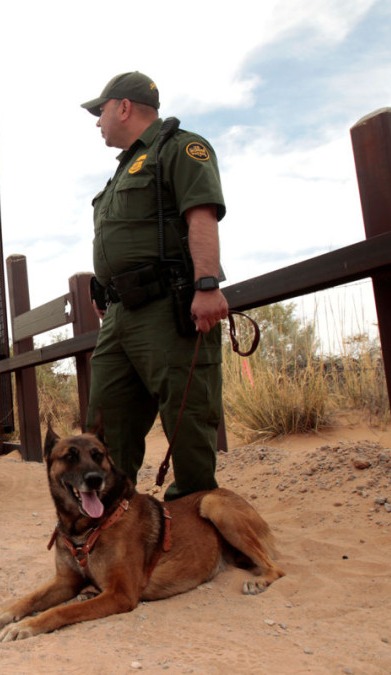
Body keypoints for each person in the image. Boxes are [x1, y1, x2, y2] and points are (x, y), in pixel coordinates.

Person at [81, 71, 229, 501]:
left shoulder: (180, 148)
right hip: (121, 317)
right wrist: (106, 289)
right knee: (105, 421)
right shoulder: (124, 170)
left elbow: (200, 214)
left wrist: (207, 284)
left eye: (101, 111)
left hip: (168, 306)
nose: (97, 121)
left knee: (187, 417)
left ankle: (195, 521)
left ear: (123, 107)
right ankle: (111, 516)